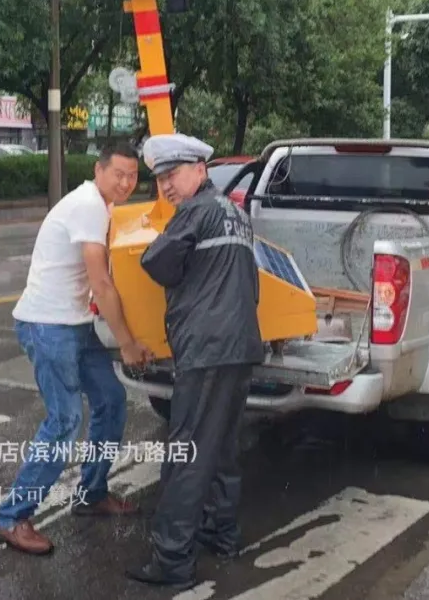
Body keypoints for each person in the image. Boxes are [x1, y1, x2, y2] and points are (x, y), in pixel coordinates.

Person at [0, 141, 153, 556]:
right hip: (48, 325)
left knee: (111, 400)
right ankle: (12, 518)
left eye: (133, 176)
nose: (125, 182)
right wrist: (128, 343)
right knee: (65, 419)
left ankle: (91, 495)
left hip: (76, 324)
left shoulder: (105, 207)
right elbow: (102, 282)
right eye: (118, 173)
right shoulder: (88, 205)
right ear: (99, 171)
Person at [126, 133, 265, 589]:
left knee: (186, 452)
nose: (166, 186)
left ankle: (172, 560)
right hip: (241, 347)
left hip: (205, 350)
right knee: (223, 445)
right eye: (161, 179)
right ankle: (221, 533)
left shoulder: (195, 212)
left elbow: (155, 262)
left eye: (173, 174)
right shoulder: (237, 215)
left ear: (200, 170)